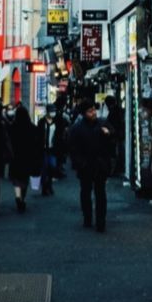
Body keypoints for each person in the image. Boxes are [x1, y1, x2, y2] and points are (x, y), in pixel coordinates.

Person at [67, 99, 114, 232]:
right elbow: (72, 148)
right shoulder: (76, 128)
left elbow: (114, 135)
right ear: (83, 113)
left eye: (94, 110)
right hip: (85, 165)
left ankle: (101, 221)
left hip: (100, 165)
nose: (93, 113)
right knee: (86, 192)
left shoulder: (103, 123)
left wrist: (108, 134)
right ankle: (87, 216)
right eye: (90, 111)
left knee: (100, 193)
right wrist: (79, 163)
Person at [7, 104, 43, 212]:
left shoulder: (12, 127)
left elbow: (8, 141)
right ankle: (22, 197)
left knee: (16, 179)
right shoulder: (32, 127)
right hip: (28, 157)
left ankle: (18, 197)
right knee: (25, 179)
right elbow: (37, 143)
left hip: (15, 157)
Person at [39, 107, 63, 195]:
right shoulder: (41, 122)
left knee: (52, 166)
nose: (53, 113)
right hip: (43, 148)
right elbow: (39, 135)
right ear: (47, 112)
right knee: (45, 168)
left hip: (53, 149)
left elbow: (59, 135)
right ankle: (45, 187)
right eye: (52, 111)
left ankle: (49, 184)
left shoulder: (56, 122)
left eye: (54, 111)